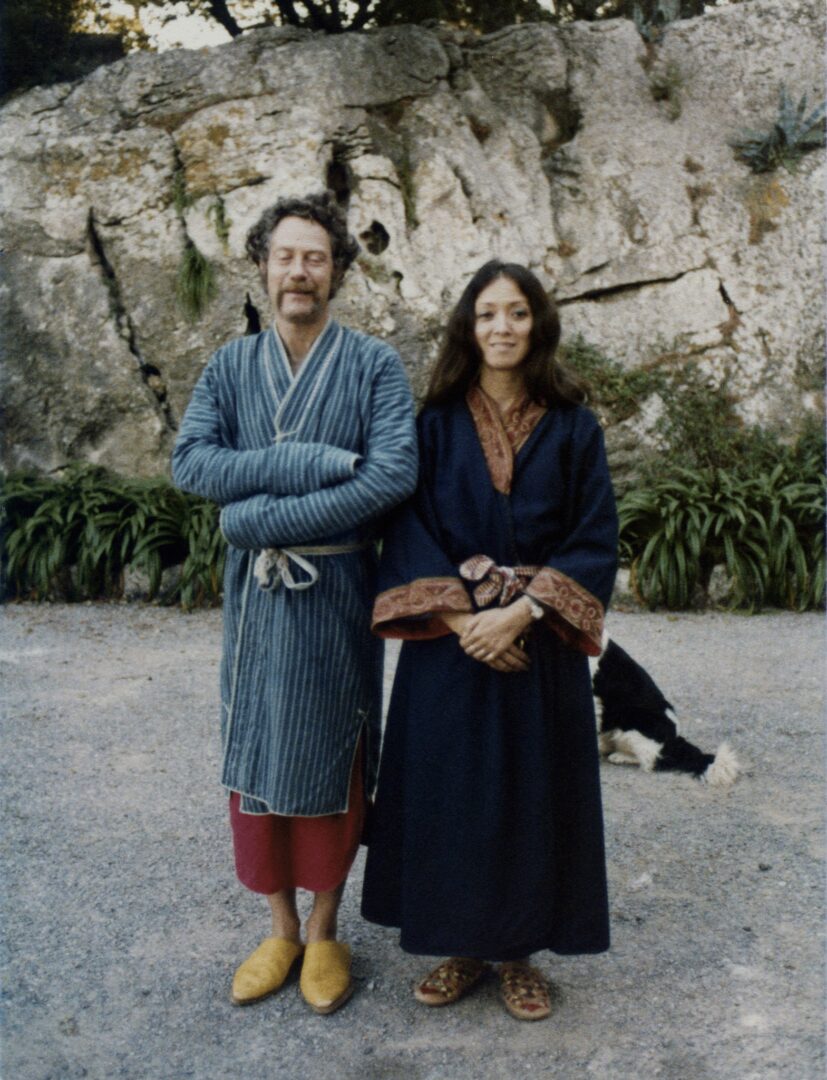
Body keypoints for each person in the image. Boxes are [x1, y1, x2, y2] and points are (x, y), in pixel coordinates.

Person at [172, 191, 417, 1014]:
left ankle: (323, 930)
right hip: (256, 599)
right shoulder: (230, 367)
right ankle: (275, 925)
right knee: (256, 746)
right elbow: (193, 465)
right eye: (285, 255)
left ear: (339, 269)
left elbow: (389, 477)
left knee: (330, 754)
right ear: (263, 264)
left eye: (315, 257)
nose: (299, 271)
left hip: (334, 591)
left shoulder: (374, 365)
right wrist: (310, 459)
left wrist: (254, 518)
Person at [361, 259, 618, 1021]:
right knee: (455, 796)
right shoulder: (432, 424)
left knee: (531, 796)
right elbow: (406, 529)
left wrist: (523, 613)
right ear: (466, 329)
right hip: (450, 647)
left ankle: (518, 954)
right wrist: (462, 621)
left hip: (536, 645)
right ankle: (461, 945)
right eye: (485, 315)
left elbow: (593, 538)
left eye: (514, 313)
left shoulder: (574, 426)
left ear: (536, 323)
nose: (500, 328)